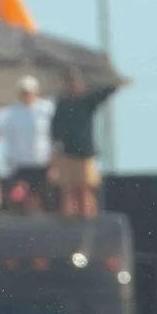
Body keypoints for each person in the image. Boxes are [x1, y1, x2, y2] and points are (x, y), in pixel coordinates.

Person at [51, 67, 124, 218]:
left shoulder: (86, 102)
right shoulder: (62, 104)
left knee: (85, 188)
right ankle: (69, 218)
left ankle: (88, 218)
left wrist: (115, 84)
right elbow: (55, 127)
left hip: (84, 153)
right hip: (66, 153)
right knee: (68, 189)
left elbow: (103, 94)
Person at [0, 76, 55, 212]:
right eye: (24, 92)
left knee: (43, 201)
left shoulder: (47, 109)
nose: (27, 95)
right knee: (19, 200)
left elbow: (54, 135)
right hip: (20, 165)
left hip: (42, 163)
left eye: (29, 92)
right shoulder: (12, 112)